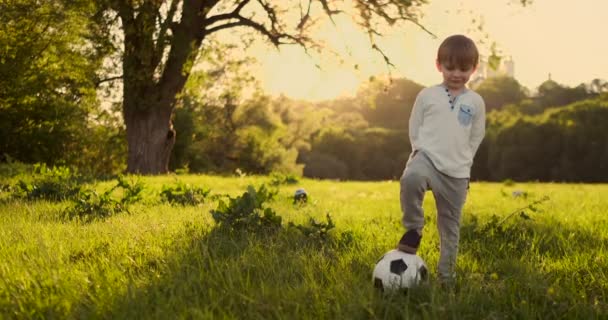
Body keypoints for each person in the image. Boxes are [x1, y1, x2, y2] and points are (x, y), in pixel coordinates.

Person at [397, 34, 486, 283]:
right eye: (450, 67)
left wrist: (464, 161)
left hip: (457, 172)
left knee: (450, 228)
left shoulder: (475, 101)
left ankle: (445, 278)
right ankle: (413, 228)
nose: (456, 74)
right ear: (439, 65)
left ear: (473, 69)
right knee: (411, 178)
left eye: (463, 68)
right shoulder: (427, 95)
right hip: (427, 158)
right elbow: (414, 126)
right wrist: (419, 151)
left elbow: (476, 135)